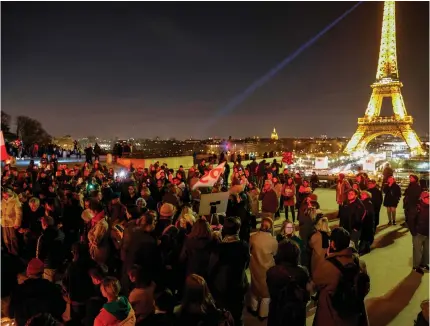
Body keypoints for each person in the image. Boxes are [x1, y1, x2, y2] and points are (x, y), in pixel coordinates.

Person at [312, 227, 369, 326]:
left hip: (332, 315)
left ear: (333, 244)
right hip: (355, 314)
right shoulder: (359, 263)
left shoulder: (327, 265)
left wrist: (326, 257)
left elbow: (316, 282)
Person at [208, 216, 250, 326]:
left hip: (223, 288)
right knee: (238, 314)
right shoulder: (244, 245)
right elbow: (246, 264)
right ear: (238, 230)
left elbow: (212, 268)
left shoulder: (220, 248)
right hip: (239, 285)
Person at [9, 258, 66, 326]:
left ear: (28, 272)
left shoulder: (18, 291)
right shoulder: (51, 288)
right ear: (42, 272)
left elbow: (11, 314)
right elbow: (61, 308)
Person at [266, 239, 310, 326]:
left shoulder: (272, 271)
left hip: (277, 312)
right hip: (296, 314)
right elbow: (306, 294)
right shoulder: (302, 272)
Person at [247, 217, 277, 320]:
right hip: (267, 269)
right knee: (266, 293)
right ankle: (263, 314)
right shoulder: (273, 241)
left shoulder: (253, 237)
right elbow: (275, 253)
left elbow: (249, 250)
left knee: (254, 288)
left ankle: (253, 308)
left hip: (255, 267)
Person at [408, 191, 429, 274]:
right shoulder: (417, 207)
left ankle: (424, 264)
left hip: (428, 232)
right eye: (428, 197)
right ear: (423, 198)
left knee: (427, 250)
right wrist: (414, 232)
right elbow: (410, 220)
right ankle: (416, 266)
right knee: (418, 250)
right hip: (418, 232)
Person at [1, 188, 22, 256]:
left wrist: (17, 223)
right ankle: (9, 251)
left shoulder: (15, 201)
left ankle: (15, 252)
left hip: (12, 223)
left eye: (5, 196)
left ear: (9, 195)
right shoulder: (2, 201)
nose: (4, 197)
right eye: (3, 196)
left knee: (13, 238)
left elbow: (19, 213)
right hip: (4, 222)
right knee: (6, 238)